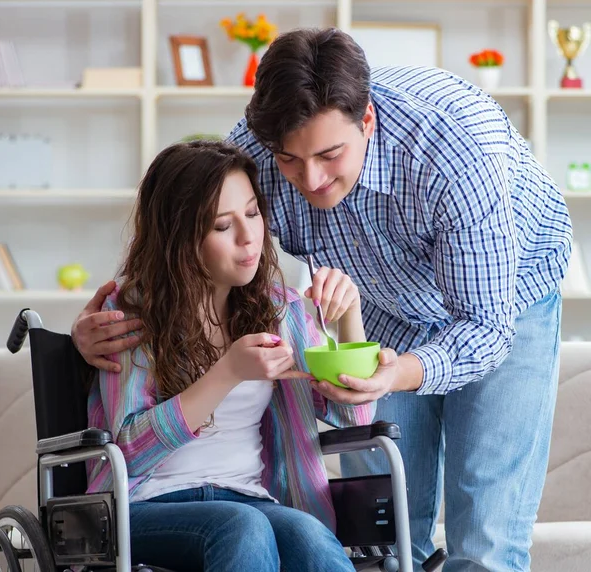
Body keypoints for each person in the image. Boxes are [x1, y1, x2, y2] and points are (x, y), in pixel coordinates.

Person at [73, 28, 572, 571]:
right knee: (394, 533)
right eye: (289, 161)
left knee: (486, 541)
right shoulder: (252, 157)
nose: (309, 181)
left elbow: (483, 328)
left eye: (330, 155)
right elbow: (189, 209)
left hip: (502, 303)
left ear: (368, 122)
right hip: (382, 302)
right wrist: (85, 329)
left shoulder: (455, 158)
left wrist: (390, 364)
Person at [85, 140, 375, 572]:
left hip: (249, 497)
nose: (248, 237)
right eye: (223, 225)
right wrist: (227, 373)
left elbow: (355, 418)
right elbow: (127, 450)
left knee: (310, 535)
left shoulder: (282, 310)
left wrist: (350, 315)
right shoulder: (131, 315)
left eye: (253, 214)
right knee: (242, 527)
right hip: (144, 505)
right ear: (181, 238)